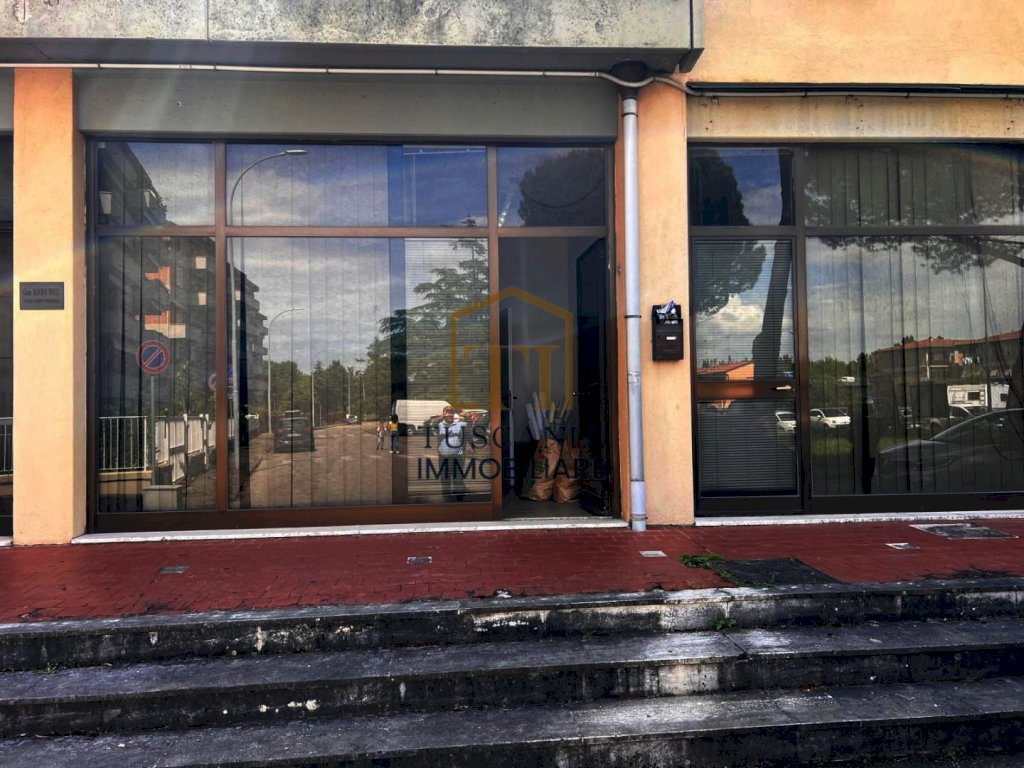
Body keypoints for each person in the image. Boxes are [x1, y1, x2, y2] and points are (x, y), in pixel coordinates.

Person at [437, 406, 467, 501]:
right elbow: (426, 426)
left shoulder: (460, 424)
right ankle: (447, 499)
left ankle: (460, 500)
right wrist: (440, 417)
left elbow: (470, 425)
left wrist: (466, 415)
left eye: (451, 413)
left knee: (458, 479)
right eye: (447, 412)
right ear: (444, 414)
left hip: (457, 458)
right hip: (443, 458)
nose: (449, 415)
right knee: (445, 480)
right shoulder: (440, 425)